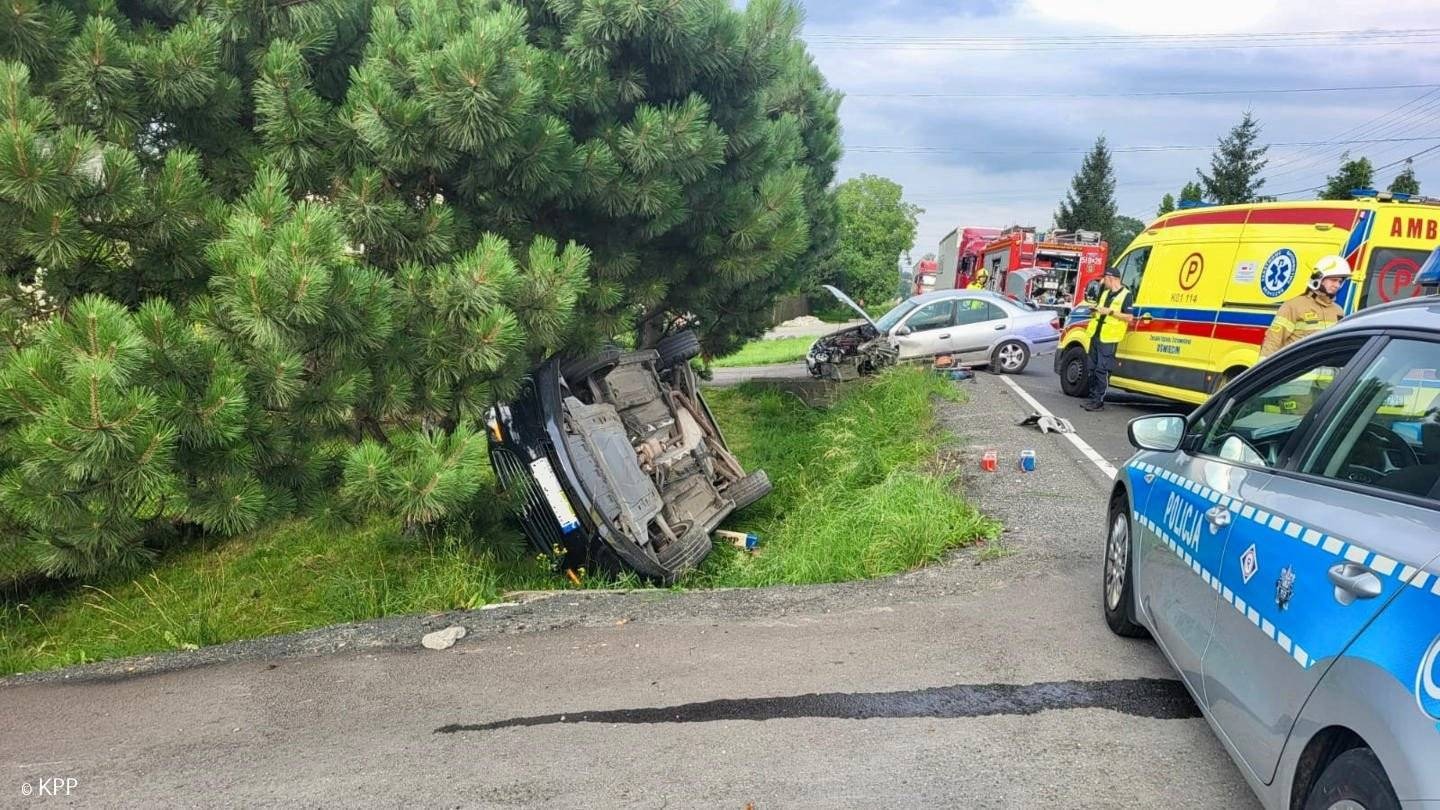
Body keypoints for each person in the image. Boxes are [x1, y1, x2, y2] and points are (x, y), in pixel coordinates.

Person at [1259, 255, 1350, 358]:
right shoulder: (1293, 306)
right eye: (1333, 280)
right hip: (1295, 372)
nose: (1337, 285)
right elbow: (1273, 341)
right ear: (1318, 278)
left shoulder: (1338, 311)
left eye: (1340, 281)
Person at [1082, 266, 1135, 412]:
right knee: (1091, 367)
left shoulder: (1126, 295)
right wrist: (1094, 311)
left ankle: (1098, 401)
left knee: (1102, 370)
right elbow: (1100, 310)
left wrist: (1110, 312)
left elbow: (1129, 317)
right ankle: (1092, 398)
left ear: (1111, 278)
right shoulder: (1105, 293)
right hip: (1096, 334)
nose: (1103, 282)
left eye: (1104, 279)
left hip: (1109, 337)